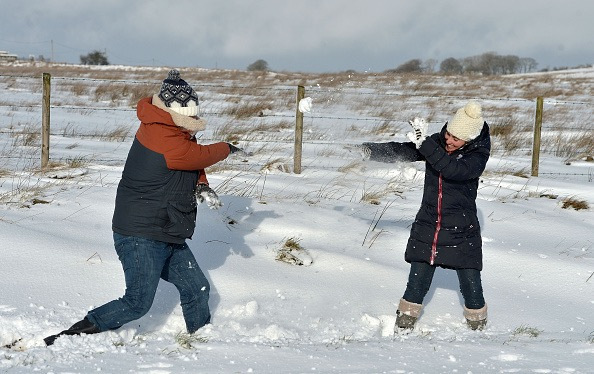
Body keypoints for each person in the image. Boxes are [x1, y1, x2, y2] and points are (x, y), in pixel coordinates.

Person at [44, 69, 244, 346]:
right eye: (188, 108)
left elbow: (189, 164)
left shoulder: (175, 130)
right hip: (141, 234)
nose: (194, 113)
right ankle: (75, 334)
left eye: (195, 108)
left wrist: (200, 183)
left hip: (166, 229)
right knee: (137, 302)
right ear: (172, 108)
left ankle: (201, 342)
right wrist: (226, 147)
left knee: (196, 288)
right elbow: (193, 156)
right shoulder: (160, 134)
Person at [360, 101, 491, 332]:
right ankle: (404, 325)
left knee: (471, 283)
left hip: (462, 230)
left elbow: (453, 170)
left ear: (469, 141)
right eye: (448, 134)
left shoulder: (476, 156)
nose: (449, 140)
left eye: (456, 139)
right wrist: (369, 151)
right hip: (429, 223)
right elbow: (405, 150)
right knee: (417, 278)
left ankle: (478, 327)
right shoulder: (437, 144)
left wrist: (427, 145)